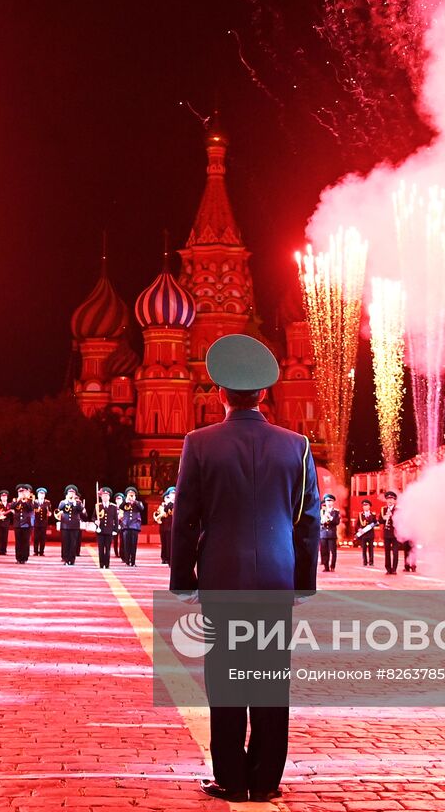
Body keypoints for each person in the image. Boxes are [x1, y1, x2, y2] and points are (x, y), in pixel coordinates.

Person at [170, 334, 319, 804]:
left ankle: (231, 777)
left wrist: (183, 579)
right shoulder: (296, 445)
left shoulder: (199, 443)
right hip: (276, 579)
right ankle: (267, 780)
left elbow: (186, 516)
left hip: (223, 577)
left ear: (221, 394)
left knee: (228, 678)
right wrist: (303, 583)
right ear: (264, 394)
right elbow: (308, 519)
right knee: (271, 678)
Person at [57, 484, 84, 565]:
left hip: (74, 526)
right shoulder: (63, 502)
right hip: (65, 526)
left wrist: (75, 502)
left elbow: (81, 510)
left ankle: (72, 560)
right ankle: (65, 558)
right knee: (65, 543)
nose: (71, 494)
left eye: (73, 493)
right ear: (67, 493)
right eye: (69, 492)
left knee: (73, 543)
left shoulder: (78, 503)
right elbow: (59, 509)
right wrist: (66, 501)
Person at [120, 486, 144, 566]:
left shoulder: (138, 503)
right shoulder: (125, 503)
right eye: (129, 494)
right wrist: (125, 501)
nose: (131, 496)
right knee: (126, 544)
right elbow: (121, 507)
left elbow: (141, 508)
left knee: (133, 545)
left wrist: (135, 501)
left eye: (132, 494)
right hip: (126, 525)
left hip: (135, 526)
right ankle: (127, 561)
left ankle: (133, 561)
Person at [95, 486, 117, 568]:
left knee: (107, 548)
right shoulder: (98, 506)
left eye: (106, 496)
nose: (105, 497)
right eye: (103, 496)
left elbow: (116, 519)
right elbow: (94, 517)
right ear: (101, 497)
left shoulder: (113, 507)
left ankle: (107, 564)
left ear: (109, 497)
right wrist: (95, 521)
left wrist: (115, 530)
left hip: (109, 530)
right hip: (100, 530)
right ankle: (101, 564)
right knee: (100, 549)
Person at [13, 484, 35, 563]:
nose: (22, 493)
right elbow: (12, 507)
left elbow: (30, 508)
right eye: (20, 492)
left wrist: (25, 500)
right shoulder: (15, 500)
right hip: (18, 524)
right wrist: (18, 500)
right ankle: (18, 558)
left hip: (26, 524)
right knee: (18, 542)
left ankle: (24, 558)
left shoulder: (29, 501)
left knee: (25, 542)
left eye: (23, 492)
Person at [355, 498, 378, 567]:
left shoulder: (373, 515)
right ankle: (365, 562)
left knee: (371, 549)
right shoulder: (360, 515)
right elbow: (357, 524)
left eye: (366, 505)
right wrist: (359, 529)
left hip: (370, 534)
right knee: (364, 549)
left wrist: (374, 524)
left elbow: (376, 523)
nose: (365, 507)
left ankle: (371, 562)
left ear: (369, 506)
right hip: (363, 534)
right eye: (364, 505)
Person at [319, 495, 340, 572]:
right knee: (324, 551)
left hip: (332, 534)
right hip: (323, 533)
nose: (329, 503)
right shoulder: (321, 511)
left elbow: (337, 522)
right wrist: (321, 521)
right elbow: (318, 521)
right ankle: (326, 566)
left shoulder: (336, 512)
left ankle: (332, 566)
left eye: (330, 501)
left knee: (333, 551)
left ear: (333, 502)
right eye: (327, 501)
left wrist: (330, 517)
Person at [154, 487, 175, 564]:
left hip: (173, 526)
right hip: (165, 526)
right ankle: (165, 557)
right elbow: (162, 512)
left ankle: (170, 558)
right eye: (171, 494)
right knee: (165, 543)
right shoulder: (163, 506)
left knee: (171, 544)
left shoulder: (177, 503)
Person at [33, 487, 50, 556]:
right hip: (36, 522)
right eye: (40, 494)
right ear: (38, 495)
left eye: (43, 494)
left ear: (44, 495)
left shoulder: (47, 502)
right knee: (36, 537)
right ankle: (36, 551)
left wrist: (50, 513)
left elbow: (49, 511)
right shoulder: (34, 502)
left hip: (44, 522)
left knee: (43, 538)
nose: (41, 495)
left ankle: (42, 551)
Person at [0, 490, 12, 556]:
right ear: (0, 497)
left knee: (5, 537)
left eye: (5, 496)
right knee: (0, 537)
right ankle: (0, 550)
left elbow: (11, 514)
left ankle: (4, 550)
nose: (4, 498)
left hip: (6, 522)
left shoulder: (9, 505)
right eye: (2, 496)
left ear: (7, 497)